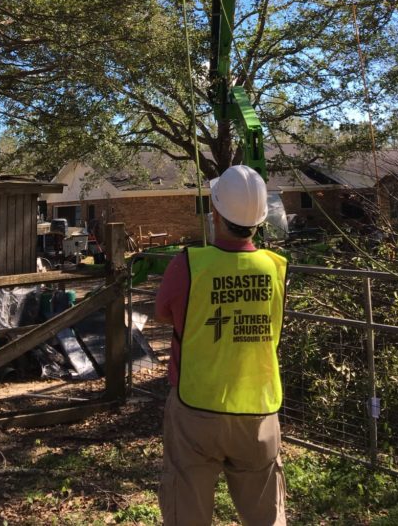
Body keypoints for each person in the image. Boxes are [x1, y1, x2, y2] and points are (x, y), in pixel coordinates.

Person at [155, 164, 288, 526]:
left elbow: (164, 313)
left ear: (215, 213)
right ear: (260, 219)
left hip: (195, 409)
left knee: (187, 511)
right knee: (266, 516)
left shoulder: (189, 264)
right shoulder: (275, 268)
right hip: (257, 411)